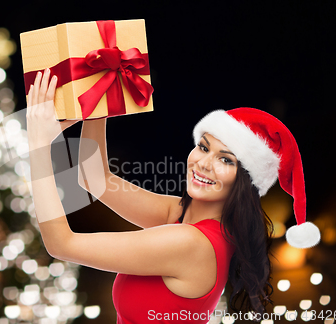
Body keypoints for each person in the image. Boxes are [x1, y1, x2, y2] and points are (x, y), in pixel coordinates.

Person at [26, 68, 320, 323]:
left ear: (245, 182)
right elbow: (94, 179)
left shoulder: (191, 243)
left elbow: (61, 244)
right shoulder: (181, 216)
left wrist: (39, 145)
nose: (204, 163)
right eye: (204, 147)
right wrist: (100, 99)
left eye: (226, 160)